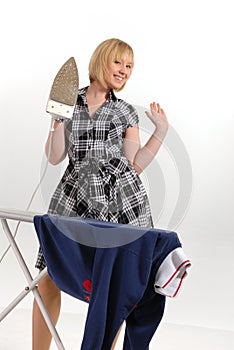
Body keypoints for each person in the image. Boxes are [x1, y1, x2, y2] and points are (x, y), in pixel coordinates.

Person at [32, 38, 168, 350]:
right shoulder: (70, 102)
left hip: (119, 200)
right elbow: (55, 157)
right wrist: (56, 123)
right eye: (118, 62)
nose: (124, 71)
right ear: (102, 60)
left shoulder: (124, 112)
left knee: (114, 285)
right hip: (73, 195)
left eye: (129, 66)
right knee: (48, 276)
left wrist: (160, 132)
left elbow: (134, 166)